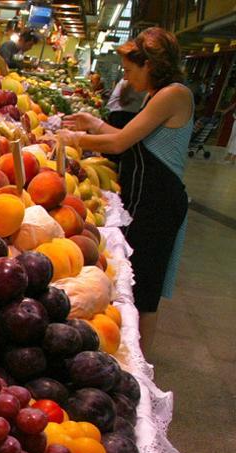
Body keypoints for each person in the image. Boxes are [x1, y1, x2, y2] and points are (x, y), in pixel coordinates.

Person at [60, 27, 193, 349]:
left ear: (150, 64)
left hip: (159, 200)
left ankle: (141, 363)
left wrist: (74, 140)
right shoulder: (157, 94)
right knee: (136, 282)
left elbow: (120, 142)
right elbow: (135, 140)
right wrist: (92, 125)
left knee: (144, 289)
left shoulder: (173, 94)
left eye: (130, 69)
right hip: (146, 195)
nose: (126, 76)